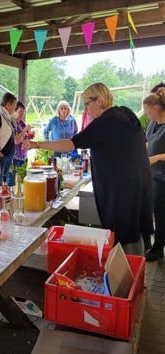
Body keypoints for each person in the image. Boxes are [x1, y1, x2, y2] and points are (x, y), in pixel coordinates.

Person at [24, 82, 153, 255]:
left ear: (99, 100)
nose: (85, 109)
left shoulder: (105, 122)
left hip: (121, 189)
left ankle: (126, 276)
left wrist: (36, 144)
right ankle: (135, 272)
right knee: (135, 231)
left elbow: (71, 144)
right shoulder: (126, 113)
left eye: (87, 103)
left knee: (124, 234)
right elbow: (143, 144)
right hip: (139, 183)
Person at [143, 89, 165, 261]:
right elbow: (147, 143)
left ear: (157, 107)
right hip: (151, 174)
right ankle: (149, 242)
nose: (146, 113)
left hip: (162, 177)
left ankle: (158, 249)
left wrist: (156, 158)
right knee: (150, 210)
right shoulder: (152, 124)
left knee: (160, 213)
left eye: (148, 110)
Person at [8, 101, 32, 186]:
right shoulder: (11, 122)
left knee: (22, 180)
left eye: (23, 112)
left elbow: (25, 137)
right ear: (14, 111)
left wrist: (30, 136)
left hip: (23, 156)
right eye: (20, 111)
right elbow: (16, 140)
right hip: (14, 156)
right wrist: (25, 130)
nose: (22, 114)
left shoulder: (21, 122)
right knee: (12, 182)